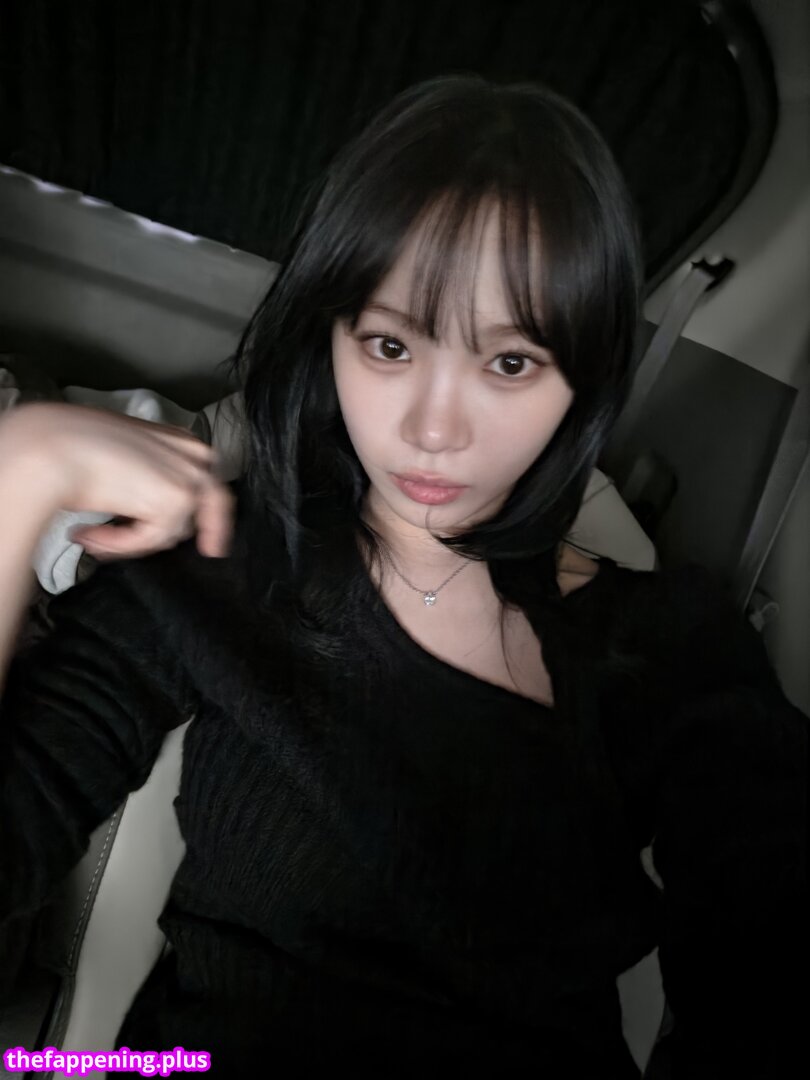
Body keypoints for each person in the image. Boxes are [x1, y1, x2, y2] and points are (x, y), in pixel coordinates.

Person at [0, 74, 805, 1079]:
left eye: (509, 364)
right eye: (390, 345)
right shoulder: (217, 564)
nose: (434, 429)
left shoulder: (672, 647)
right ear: (331, 336)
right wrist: (20, 476)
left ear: (581, 379)